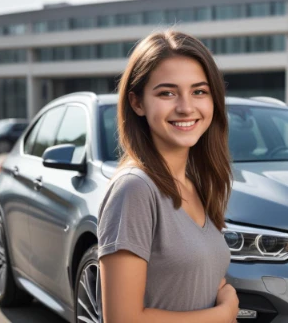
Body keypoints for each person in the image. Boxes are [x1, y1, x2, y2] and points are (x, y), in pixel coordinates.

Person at [97, 30, 239, 323]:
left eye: (199, 91)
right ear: (137, 103)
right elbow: (123, 319)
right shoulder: (134, 189)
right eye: (167, 93)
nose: (186, 107)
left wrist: (224, 295)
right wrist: (222, 314)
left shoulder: (198, 184)